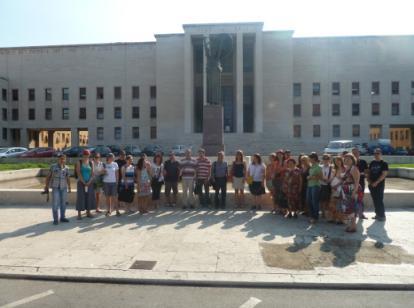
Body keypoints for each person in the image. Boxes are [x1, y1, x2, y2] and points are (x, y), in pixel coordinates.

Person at [44, 154, 71, 225]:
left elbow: (68, 178)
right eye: (61, 159)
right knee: (55, 204)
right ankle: (55, 219)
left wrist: (70, 187)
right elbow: (48, 177)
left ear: (65, 160)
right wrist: (46, 186)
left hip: (64, 188)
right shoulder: (53, 167)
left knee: (63, 203)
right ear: (58, 159)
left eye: (63, 159)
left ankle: (62, 217)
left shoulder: (67, 168)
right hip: (55, 187)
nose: (62, 160)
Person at [341, 153, 363, 233]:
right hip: (347, 190)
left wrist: (354, 192)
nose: (346, 160)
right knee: (349, 208)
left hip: (353, 190)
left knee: (352, 208)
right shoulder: (347, 168)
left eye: (349, 159)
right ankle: (351, 225)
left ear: (353, 160)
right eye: (345, 159)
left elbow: (357, 182)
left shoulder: (354, 168)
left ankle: (353, 227)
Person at [367, 148, 389, 221]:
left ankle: (382, 216)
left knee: (379, 200)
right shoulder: (372, 163)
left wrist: (376, 182)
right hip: (371, 185)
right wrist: (370, 182)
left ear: (381, 154)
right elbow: (369, 173)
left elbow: (384, 174)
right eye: (375, 153)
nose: (376, 155)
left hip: (379, 185)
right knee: (375, 200)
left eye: (378, 153)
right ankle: (377, 214)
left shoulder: (384, 163)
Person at [75, 149, 95, 220]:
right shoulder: (79, 162)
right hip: (81, 182)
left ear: (89, 155)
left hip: (89, 183)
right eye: (85, 155)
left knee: (89, 197)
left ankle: (88, 212)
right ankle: (79, 214)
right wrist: (84, 182)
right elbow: (78, 173)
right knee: (80, 197)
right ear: (82, 155)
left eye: (87, 155)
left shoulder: (91, 162)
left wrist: (89, 182)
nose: (86, 156)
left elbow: (93, 174)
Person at [352, 147, 368, 219]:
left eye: (356, 153)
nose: (355, 154)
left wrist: (361, 174)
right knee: (352, 199)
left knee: (360, 199)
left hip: (361, 184)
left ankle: (361, 213)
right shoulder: (350, 163)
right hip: (351, 184)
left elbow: (366, 172)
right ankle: (353, 214)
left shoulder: (363, 162)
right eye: (353, 153)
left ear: (359, 153)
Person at [306, 152, 322, 224]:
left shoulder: (318, 167)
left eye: (310, 158)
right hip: (310, 185)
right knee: (309, 201)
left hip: (315, 185)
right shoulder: (311, 167)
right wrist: (309, 177)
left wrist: (311, 177)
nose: (309, 159)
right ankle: (311, 216)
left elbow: (320, 177)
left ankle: (315, 217)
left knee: (314, 202)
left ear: (314, 158)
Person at [272, 150, 287, 215]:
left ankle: (284, 209)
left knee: (283, 195)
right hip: (276, 180)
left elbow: (286, 169)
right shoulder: (276, 162)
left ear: (283, 155)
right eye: (278, 154)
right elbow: (274, 171)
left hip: (284, 180)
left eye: (280, 154)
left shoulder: (286, 162)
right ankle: (279, 208)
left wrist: (279, 171)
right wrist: (274, 174)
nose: (279, 155)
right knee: (277, 195)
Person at [320, 154, 333, 219]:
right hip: (321, 185)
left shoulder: (332, 167)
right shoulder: (320, 167)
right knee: (322, 200)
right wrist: (322, 179)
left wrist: (328, 180)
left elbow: (334, 175)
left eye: (327, 159)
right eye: (324, 159)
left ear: (329, 159)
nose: (326, 160)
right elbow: (318, 175)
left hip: (329, 185)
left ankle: (327, 213)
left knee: (328, 200)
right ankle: (323, 212)